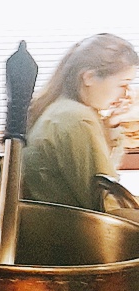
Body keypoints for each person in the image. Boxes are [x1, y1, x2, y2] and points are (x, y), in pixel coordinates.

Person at [22, 33, 139, 211]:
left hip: (55, 222)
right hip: (74, 226)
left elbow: (106, 179)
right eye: (123, 84)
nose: (126, 94)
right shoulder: (75, 119)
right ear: (89, 77)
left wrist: (112, 124)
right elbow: (105, 205)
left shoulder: (60, 109)